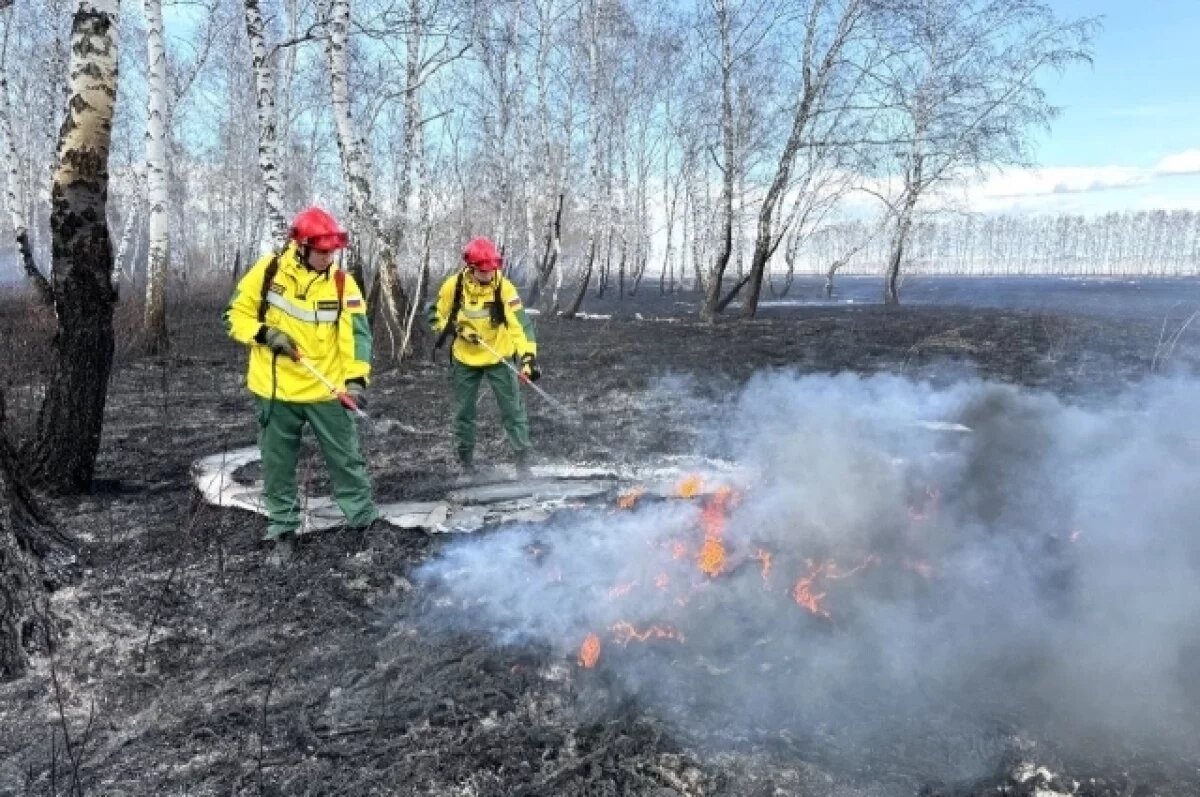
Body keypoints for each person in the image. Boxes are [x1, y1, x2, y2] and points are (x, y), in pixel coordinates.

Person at [223, 207, 381, 550]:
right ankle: (282, 529)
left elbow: (356, 337)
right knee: (277, 464)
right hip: (275, 389)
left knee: (346, 460)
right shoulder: (268, 272)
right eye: (322, 252)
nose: (328, 258)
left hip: (327, 389)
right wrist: (265, 334)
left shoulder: (342, 283)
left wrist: (356, 381)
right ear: (301, 246)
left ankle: (364, 522)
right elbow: (234, 314)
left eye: (332, 252)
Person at [427, 236, 540, 477]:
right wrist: (456, 329)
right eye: (483, 271)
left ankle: (523, 462)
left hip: (499, 356)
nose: (488, 275)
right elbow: (435, 316)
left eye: (492, 270)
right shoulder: (453, 286)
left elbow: (520, 325)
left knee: (513, 410)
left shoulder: (504, 288)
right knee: (464, 412)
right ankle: (466, 461)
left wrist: (528, 359)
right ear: (471, 267)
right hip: (464, 359)